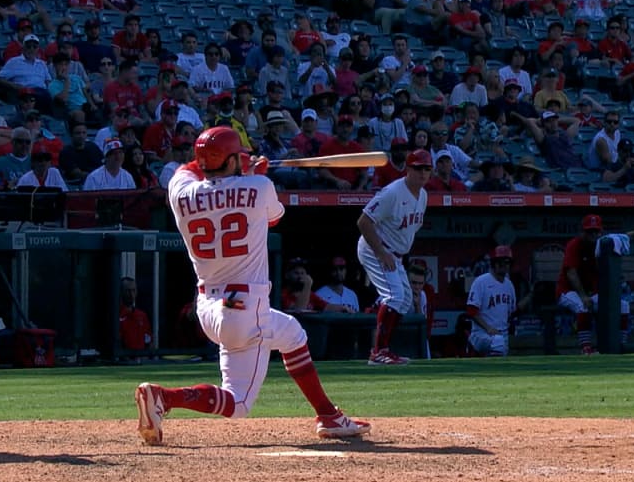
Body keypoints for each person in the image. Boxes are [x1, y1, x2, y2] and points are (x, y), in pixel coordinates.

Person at [135, 126, 370, 446]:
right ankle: (164, 398)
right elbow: (272, 219)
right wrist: (247, 173)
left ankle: (328, 415)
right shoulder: (260, 186)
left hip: (208, 307)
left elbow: (186, 170)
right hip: (244, 307)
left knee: (293, 334)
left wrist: (238, 168)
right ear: (230, 158)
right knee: (238, 404)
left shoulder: (180, 192)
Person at [357, 148, 432, 365]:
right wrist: (381, 253)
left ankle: (384, 348)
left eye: (427, 169)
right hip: (375, 249)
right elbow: (363, 222)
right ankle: (378, 352)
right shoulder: (392, 192)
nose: (423, 173)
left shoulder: (423, 195)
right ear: (408, 168)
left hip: (395, 254)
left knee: (405, 299)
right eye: (418, 168)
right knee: (395, 297)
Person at [556, 214, 634, 355]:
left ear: (600, 231)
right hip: (568, 291)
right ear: (582, 232)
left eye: (596, 231)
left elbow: (621, 237)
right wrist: (582, 296)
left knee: (623, 305)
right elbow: (571, 273)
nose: (593, 235)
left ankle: (621, 345)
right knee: (582, 306)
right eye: (589, 231)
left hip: (591, 292)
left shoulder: (603, 243)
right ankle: (586, 348)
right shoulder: (575, 245)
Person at [466, 246, 516, 356]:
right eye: (500, 262)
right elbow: (471, 311)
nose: (503, 265)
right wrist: (488, 328)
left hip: (502, 335)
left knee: (500, 345)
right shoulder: (481, 281)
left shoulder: (509, 285)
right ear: (493, 263)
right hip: (482, 333)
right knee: (497, 342)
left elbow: (512, 312)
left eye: (506, 262)